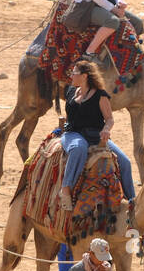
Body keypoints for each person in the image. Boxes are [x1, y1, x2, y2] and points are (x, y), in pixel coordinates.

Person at [56, 60, 136, 207]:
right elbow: (70, 117)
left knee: (125, 162)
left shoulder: (100, 95)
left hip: (96, 136)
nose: (71, 76)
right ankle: (66, 190)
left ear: (85, 76)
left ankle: (132, 201)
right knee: (78, 148)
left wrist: (106, 129)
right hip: (73, 134)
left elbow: (110, 119)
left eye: (74, 73)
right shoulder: (71, 91)